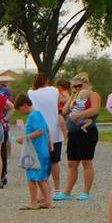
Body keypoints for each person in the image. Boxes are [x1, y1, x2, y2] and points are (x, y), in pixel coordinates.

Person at [63, 73, 101, 201]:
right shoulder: (76, 96)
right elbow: (65, 111)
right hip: (73, 132)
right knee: (72, 163)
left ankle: (86, 191)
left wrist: (80, 115)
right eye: (74, 86)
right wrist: (72, 96)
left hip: (87, 132)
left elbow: (94, 110)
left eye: (79, 86)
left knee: (86, 161)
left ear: (86, 83)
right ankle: (67, 192)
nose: (77, 88)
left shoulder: (93, 95)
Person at [30, 73, 67, 201]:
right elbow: (64, 98)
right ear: (47, 81)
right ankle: (57, 190)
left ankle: (43, 192)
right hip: (55, 130)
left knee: (41, 162)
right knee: (55, 161)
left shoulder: (32, 93)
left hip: (40, 130)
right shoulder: (54, 90)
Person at [14, 94, 52, 209]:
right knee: (42, 178)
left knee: (31, 177)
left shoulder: (33, 116)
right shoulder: (39, 114)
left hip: (35, 153)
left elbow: (40, 131)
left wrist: (25, 138)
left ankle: (33, 202)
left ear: (25, 105)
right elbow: (46, 129)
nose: (21, 112)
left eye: (20, 109)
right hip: (43, 150)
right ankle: (48, 201)